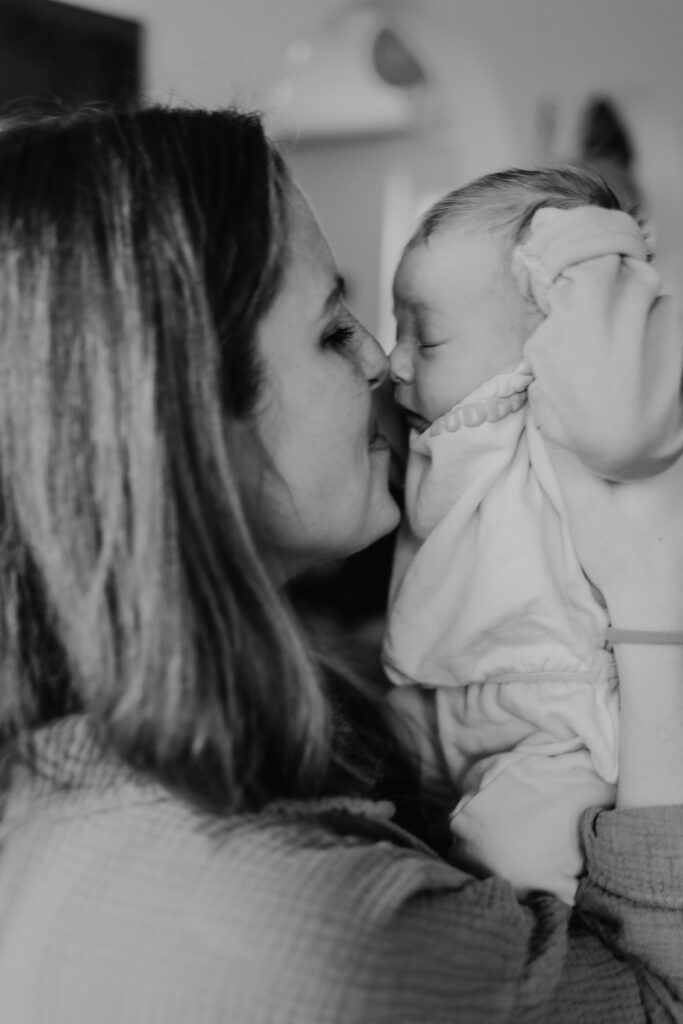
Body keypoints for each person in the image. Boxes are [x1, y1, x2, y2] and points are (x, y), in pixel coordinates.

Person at [0, 108, 681, 1024]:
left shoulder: (93, 759)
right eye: (330, 332)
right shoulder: (312, 917)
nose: (376, 362)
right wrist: (652, 603)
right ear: (191, 428)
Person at [383, 167, 683, 902]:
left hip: (563, 724)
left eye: (425, 340)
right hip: (440, 696)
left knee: (507, 854)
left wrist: (584, 248)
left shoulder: (563, 416)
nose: (392, 363)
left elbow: (624, 418)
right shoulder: (433, 430)